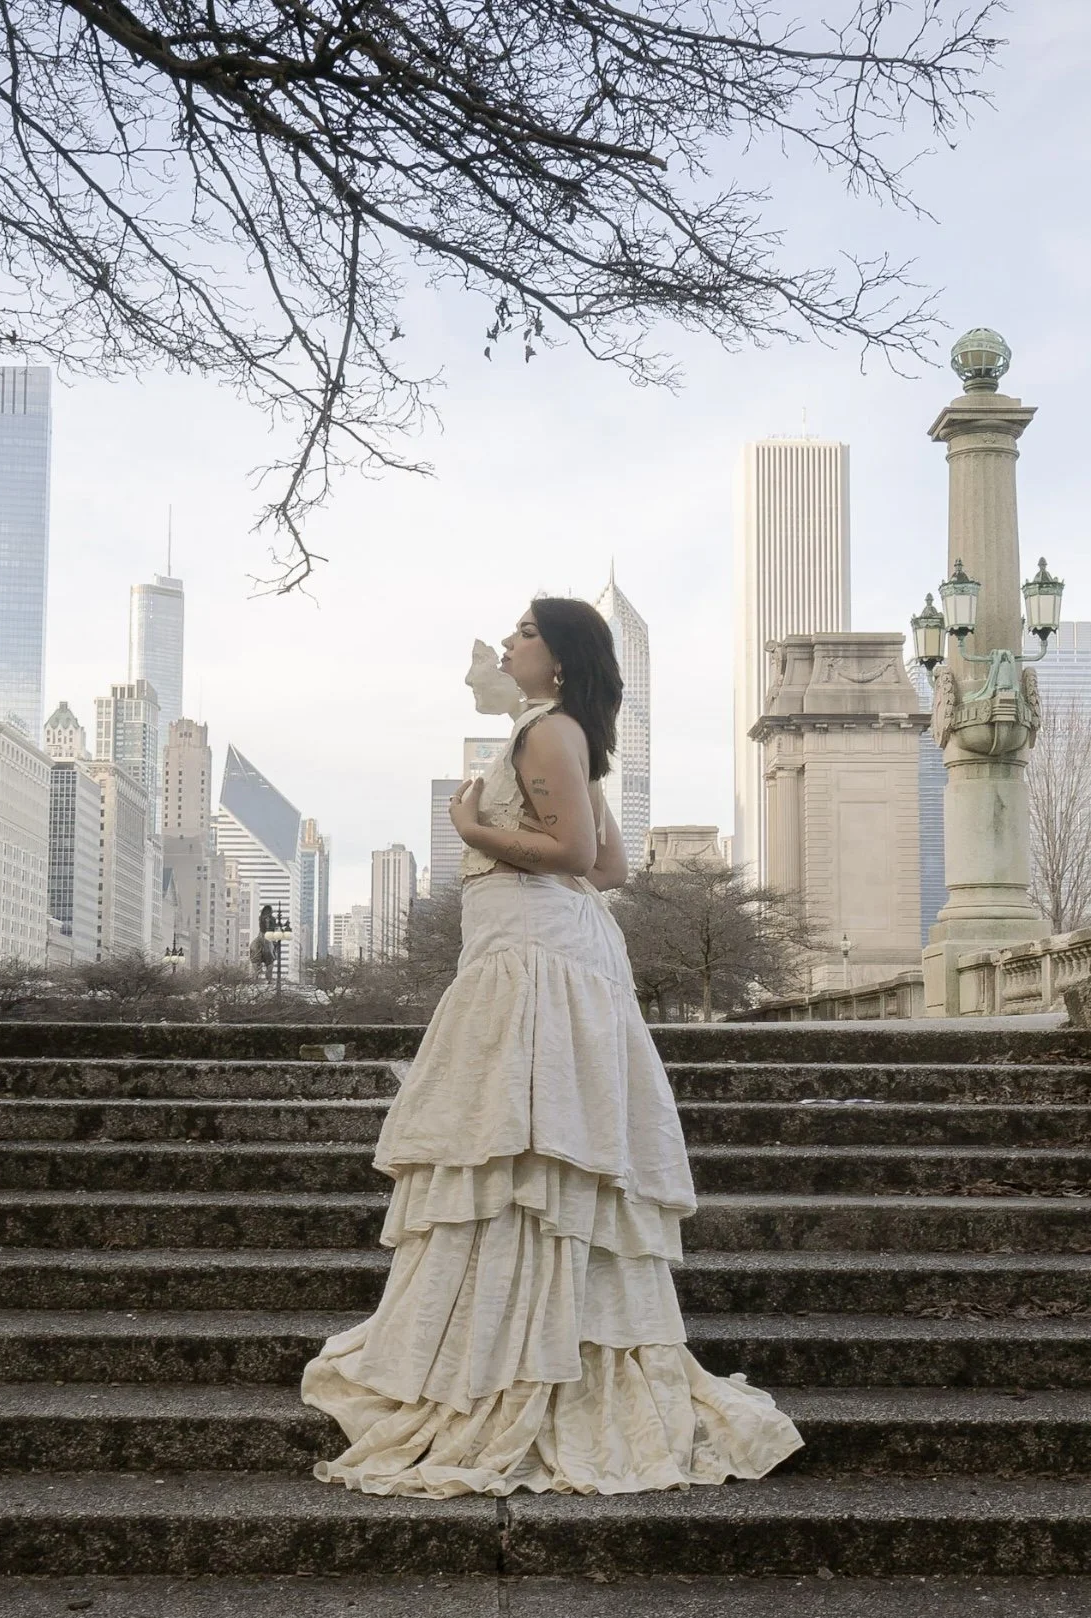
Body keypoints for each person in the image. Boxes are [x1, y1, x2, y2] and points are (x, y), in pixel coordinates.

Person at [301, 598, 802, 1495]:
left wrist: (470, 832)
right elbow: (608, 867)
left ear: (561, 657)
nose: (506, 641)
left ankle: (508, 1353)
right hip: (546, 948)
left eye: (525, 631)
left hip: (534, 953)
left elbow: (574, 851)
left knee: (517, 1136)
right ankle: (532, 1335)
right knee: (528, 1142)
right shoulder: (563, 734)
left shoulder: (546, 733)